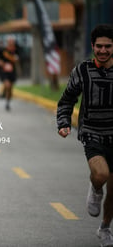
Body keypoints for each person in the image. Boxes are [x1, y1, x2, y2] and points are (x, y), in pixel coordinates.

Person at [57, 24, 113, 247]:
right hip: (92, 133)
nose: (103, 50)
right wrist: (63, 122)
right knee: (101, 174)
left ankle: (105, 228)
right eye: (99, 46)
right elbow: (67, 99)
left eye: (108, 46)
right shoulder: (82, 70)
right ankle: (96, 187)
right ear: (92, 46)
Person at [0, 36, 19, 111]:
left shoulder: (15, 50)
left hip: (12, 71)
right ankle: (5, 94)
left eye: (12, 41)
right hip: (4, 71)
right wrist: (1, 63)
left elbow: (17, 59)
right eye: (9, 41)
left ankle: (8, 102)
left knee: (10, 89)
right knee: (7, 85)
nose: (10, 42)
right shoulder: (3, 50)